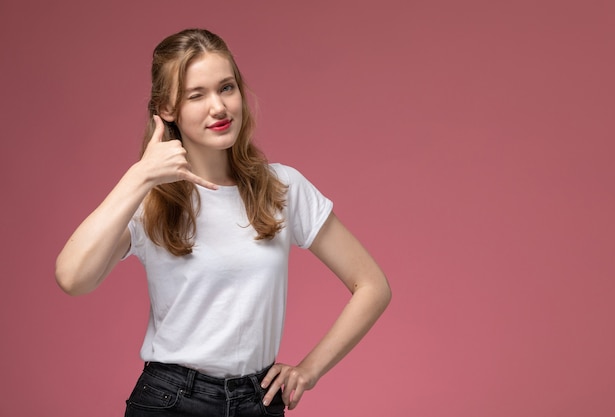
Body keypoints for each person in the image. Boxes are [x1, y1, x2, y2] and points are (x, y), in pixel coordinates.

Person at [55, 28, 391, 417]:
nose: (219, 107)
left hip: (258, 402)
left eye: (227, 88)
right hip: (171, 401)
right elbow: (72, 278)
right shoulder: (150, 199)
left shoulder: (282, 187)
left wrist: (309, 370)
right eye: (196, 95)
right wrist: (139, 176)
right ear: (166, 109)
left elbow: (372, 285)